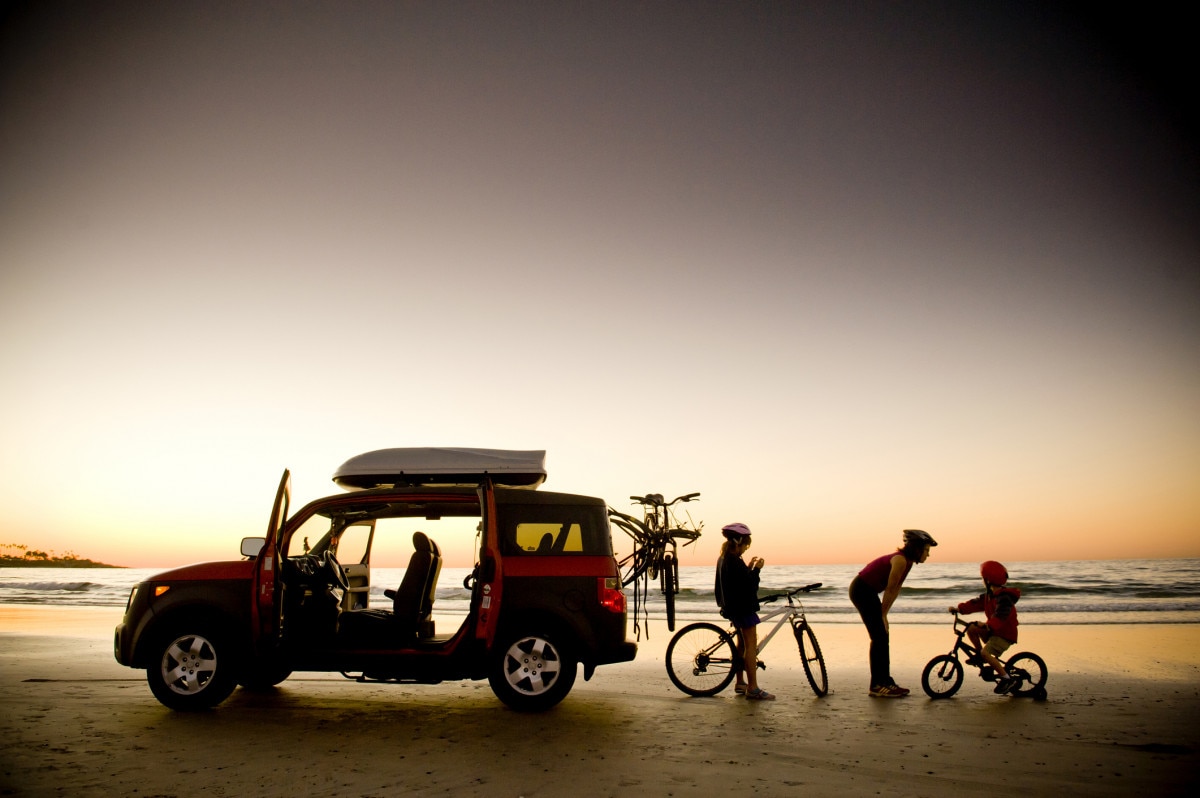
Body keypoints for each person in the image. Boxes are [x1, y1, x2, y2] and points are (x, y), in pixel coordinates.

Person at [848, 529, 937, 697]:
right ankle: (877, 685)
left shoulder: (908, 562)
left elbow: (896, 589)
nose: (928, 554)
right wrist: (882, 615)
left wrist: (884, 614)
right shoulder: (900, 560)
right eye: (926, 550)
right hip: (861, 590)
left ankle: (885, 681)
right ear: (917, 548)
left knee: (882, 635)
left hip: (869, 592)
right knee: (878, 636)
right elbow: (889, 589)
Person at [714, 522, 774, 700]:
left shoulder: (725, 558)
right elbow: (749, 587)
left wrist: (748, 568)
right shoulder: (733, 561)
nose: (746, 549)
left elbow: (737, 581)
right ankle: (753, 688)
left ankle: (740, 682)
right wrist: (756, 570)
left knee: (741, 646)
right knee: (750, 648)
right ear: (738, 541)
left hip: (731, 607)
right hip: (742, 608)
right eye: (746, 545)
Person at [950, 561, 1021, 693]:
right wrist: (958, 609)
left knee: (986, 652)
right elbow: (974, 604)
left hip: (1005, 635)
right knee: (971, 628)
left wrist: (987, 625)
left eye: (983, 579)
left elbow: (1001, 615)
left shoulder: (1005, 598)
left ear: (988, 580)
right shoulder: (989, 596)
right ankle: (980, 656)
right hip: (994, 631)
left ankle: (1006, 679)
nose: (982, 581)